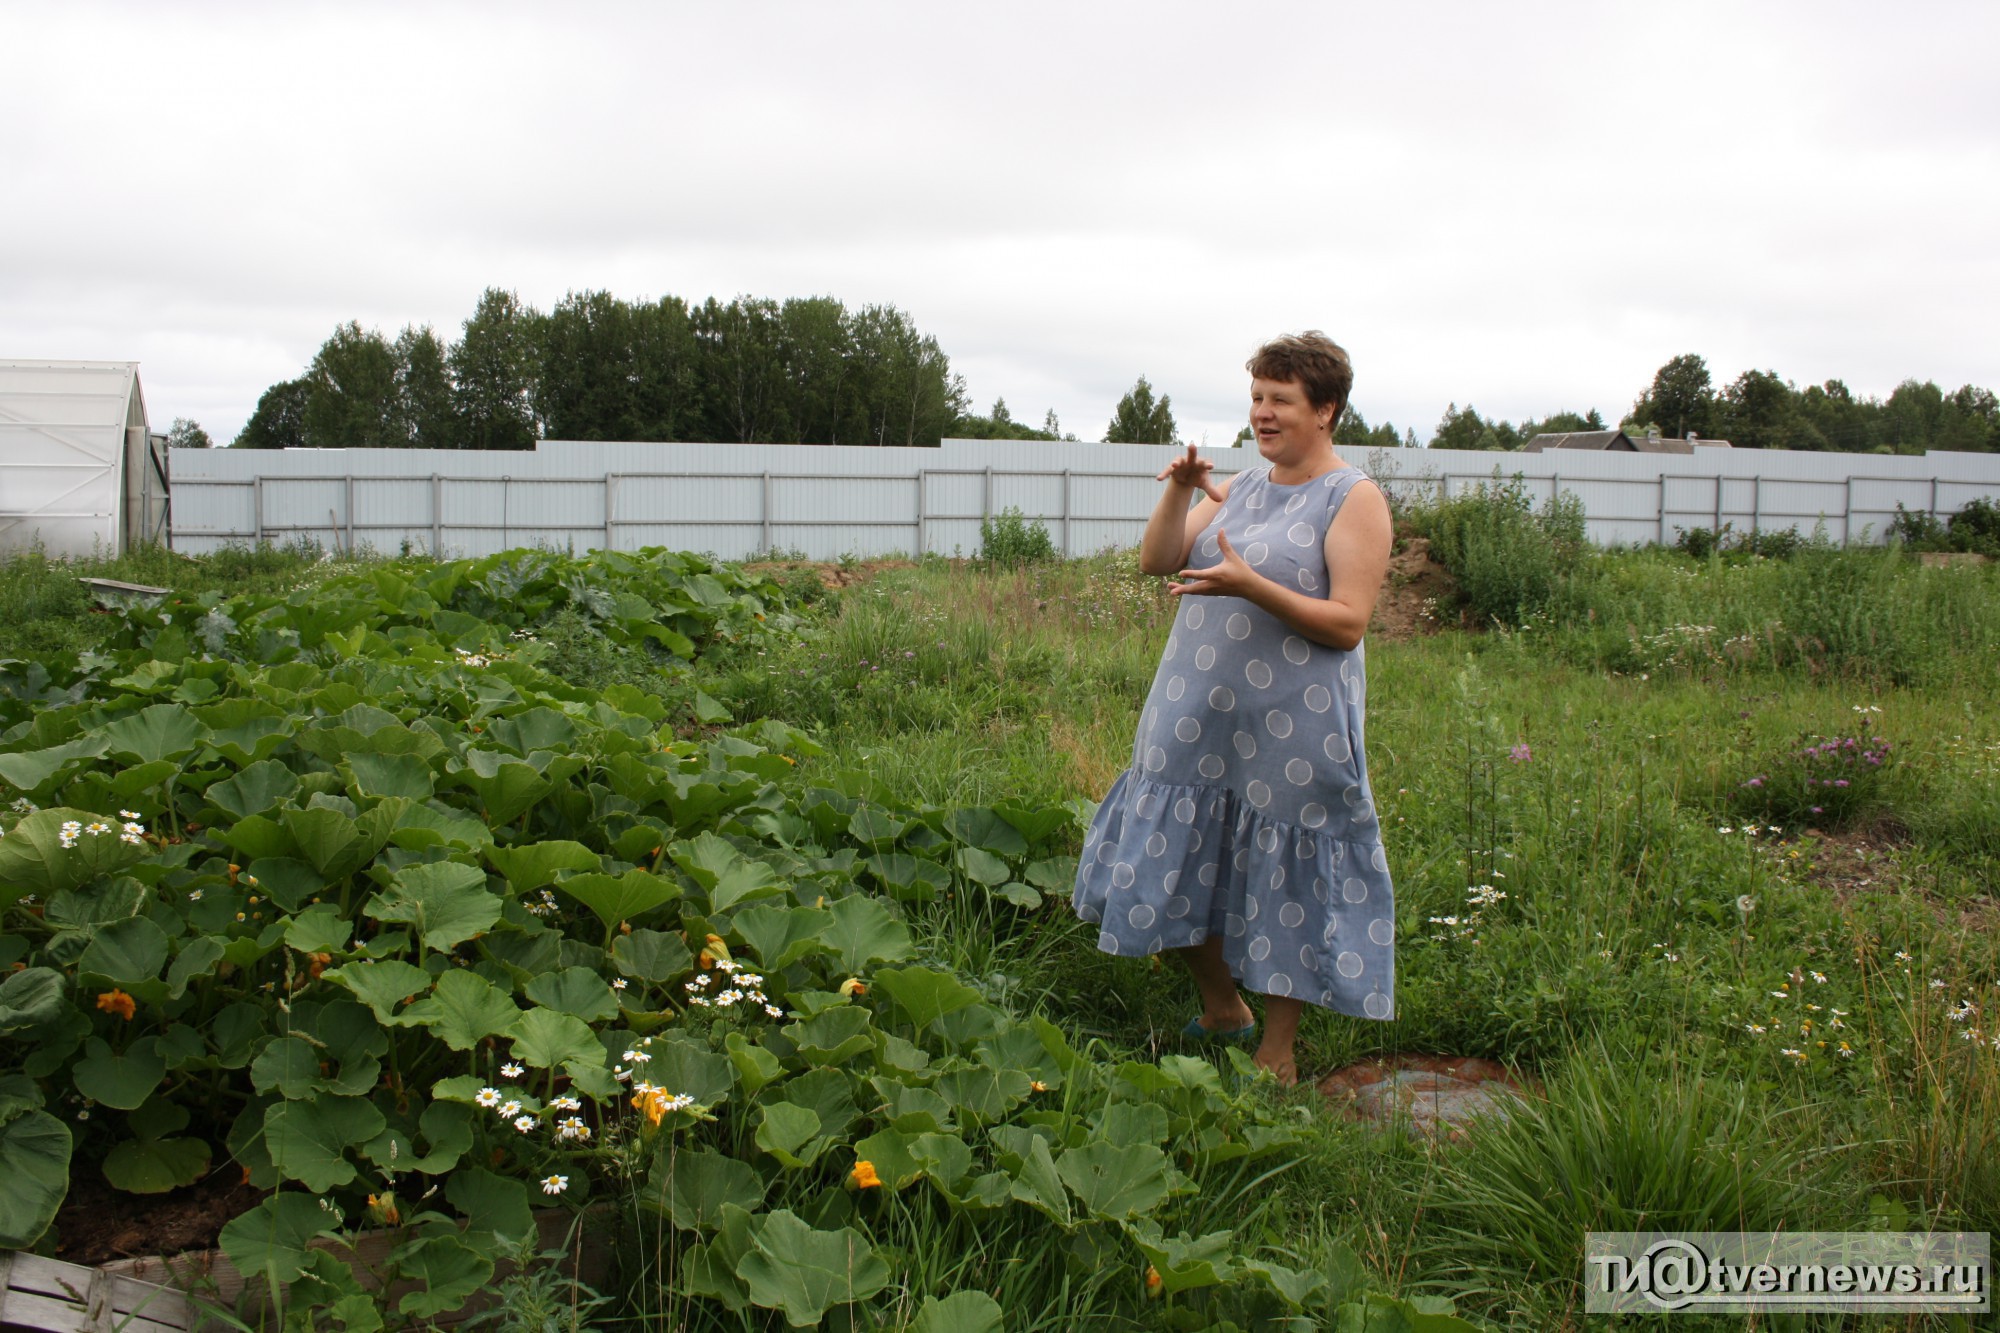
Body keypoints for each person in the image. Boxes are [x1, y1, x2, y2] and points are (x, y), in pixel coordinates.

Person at [1071, 331, 1396, 1086]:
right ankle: (1224, 1008)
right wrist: (1181, 488)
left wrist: (1256, 587)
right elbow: (1158, 561)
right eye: (1257, 396)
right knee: (1167, 854)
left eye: (1281, 399)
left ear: (1327, 409)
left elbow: (1348, 621)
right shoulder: (1245, 487)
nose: (1263, 412)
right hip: (1196, 713)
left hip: (1297, 723)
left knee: (1284, 876)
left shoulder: (1355, 497)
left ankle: (1276, 1053)